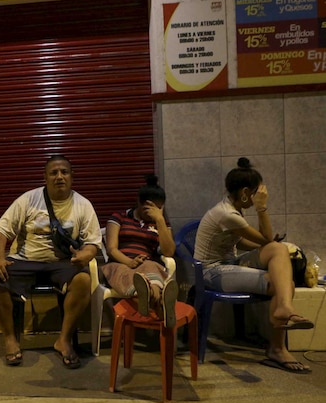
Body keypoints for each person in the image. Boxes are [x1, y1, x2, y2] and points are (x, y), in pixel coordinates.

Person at [194, 157, 314, 374]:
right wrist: (262, 208)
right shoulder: (227, 214)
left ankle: (284, 309)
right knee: (282, 282)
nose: (260, 196)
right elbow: (265, 237)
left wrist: (265, 247)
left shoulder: (231, 208)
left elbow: (242, 242)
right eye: (257, 193)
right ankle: (277, 348)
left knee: (278, 251)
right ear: (245, 193)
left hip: (229, 262)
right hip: (211, 271)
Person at [0, 155, 102, 369]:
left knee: (83, 281)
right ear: (45, 177)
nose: (59, 177)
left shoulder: (83, 204)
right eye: (54, 173)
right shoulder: (28, 199)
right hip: (25, 260)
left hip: (62, 262)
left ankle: (64, 340)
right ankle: (11, 340)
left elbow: (93, 242)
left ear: (72, 177)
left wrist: (86, 254)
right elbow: (0, 230)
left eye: (64, 172)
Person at [103, 175, 179, 327]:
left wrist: (160, 221)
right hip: (119, 263)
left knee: (150, 267)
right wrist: (129, 262)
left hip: (146, 263)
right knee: (130, 274)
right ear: (139, 202)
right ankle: (161, 305)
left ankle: (149, 294)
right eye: (150, 208)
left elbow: (169, 252)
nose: (153, 212)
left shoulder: (161, 222)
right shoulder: (120, 217)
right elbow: (111, 249)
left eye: (159, 208)